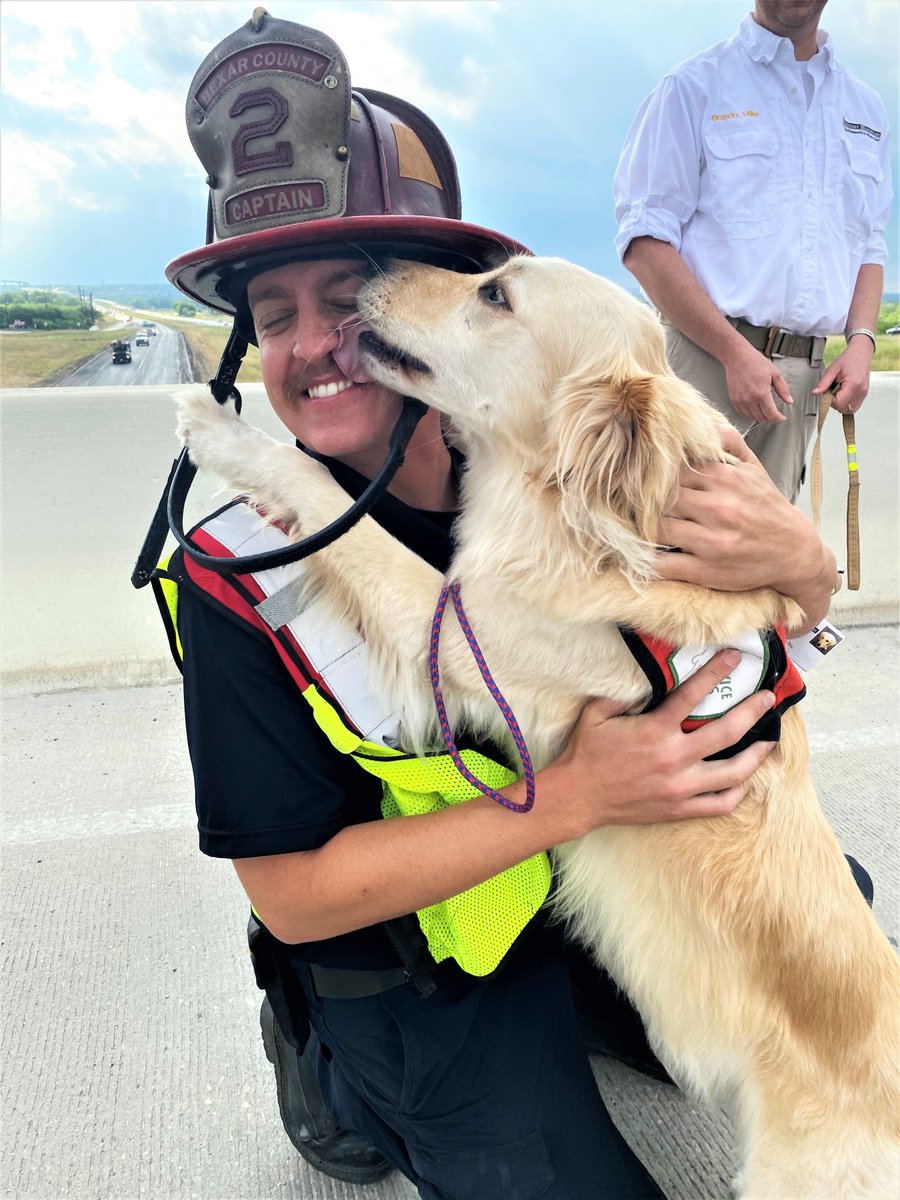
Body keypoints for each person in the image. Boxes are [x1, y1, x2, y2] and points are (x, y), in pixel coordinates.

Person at [147, 10, 844, 1199]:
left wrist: (805, 567)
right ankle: (321, 1059)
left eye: (351, 295)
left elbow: (743, 637)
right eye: (274, 319)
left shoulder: (542, 458)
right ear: (247, 346)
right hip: (406, 947)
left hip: (572, 890)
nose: (324, 342)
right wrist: (576, 797)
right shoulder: (238, 567)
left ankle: (591, 995)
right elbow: (294, 894)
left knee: (846, 962)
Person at [614, 0, 893, 502]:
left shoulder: (866, 109)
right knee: (674, 548)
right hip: (703, 368)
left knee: (766, 566)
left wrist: (862, 342)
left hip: (803, 382)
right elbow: (644, 241)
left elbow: (870, 242)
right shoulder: (693, 88)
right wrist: (732, 352)